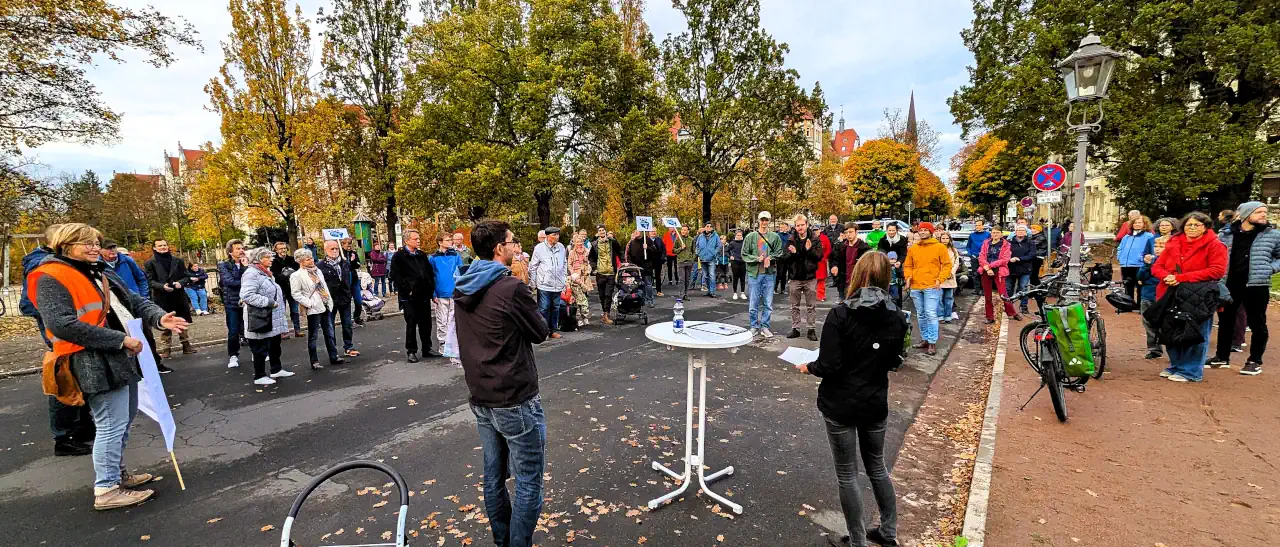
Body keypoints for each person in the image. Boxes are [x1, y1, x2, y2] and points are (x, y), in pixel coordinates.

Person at [28, 223, 189, 509]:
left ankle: (116, 475)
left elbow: (133, 300)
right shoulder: (50, 276)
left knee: (122, 422)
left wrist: (160, 318)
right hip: (92, 360)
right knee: (110, 425)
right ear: (65, 246)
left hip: (118, 357)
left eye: (95, 242)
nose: (94, 248)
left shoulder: (97, 269)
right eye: (85, 243)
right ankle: (106, 490)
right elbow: (62, 325)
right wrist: (121, 340)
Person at [453, 220, 550, 547]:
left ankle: (502, 539)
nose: (516, 247)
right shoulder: (510, 287)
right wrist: (524, 288)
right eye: (512, 242)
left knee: (493, 475)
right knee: (528, 479)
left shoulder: (463, 283)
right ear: (499, 249)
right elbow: (540, 331)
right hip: (514, 396)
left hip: (481, 394)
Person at [797, 252, 904, 547]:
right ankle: (888, 530)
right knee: (877, 466)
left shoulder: (841, 314)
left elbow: (829, 365)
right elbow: (895, 361)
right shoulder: (896, 315)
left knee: (847, 474)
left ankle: (858, 540)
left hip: (840, 403)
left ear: (857, 275)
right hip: (874, 400)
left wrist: (809, 366)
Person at [21, 225, 97, 458]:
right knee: (63, 379)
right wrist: (55, 320)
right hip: (63, 334)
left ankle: (82, 427)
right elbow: (29, 304)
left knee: (79, 378)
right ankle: (64, 437)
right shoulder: (45, 267)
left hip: (79, 331)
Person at [1150, 212, 1226, 382]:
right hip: (1169, 292)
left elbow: (1217, 270)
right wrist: (1166, 276)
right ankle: (1176, 365)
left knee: (1195, 333)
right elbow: (1157, 266)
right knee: (1170, 330)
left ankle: (1191, 371)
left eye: (1197, 225)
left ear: (1205, 227)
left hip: (1198, 295)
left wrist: (1181, 278)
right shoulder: (1173, 242)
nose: (1192, 228)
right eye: (1188, 225)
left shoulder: (1215, 245)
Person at [1205, 202, 1279, 376]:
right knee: (1225, 322)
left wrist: (1270, 268)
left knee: (1257, 323)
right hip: (1228, 284)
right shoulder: (1226, 234)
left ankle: (1254, 361)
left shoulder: (1273, 235)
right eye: (1259, 212)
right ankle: (1221, 357)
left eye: (1264, 212)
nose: (1263, 214)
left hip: (1256, 285)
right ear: (1246, 214)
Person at [240, 247, 294, 385]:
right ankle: (259, 375)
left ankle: (276, 369)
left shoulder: (266, 273)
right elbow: (247, 295)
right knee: (260, 347)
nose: (271, 259)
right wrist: (269, 303)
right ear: (258, 259)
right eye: (267, 257)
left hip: (272, 316)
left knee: (275, 344)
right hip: (259, 316)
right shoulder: (251, 274)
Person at [289, 249, 344, 370]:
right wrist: (310, 303)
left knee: (329, 332)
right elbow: (296, 293)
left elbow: (324, 286)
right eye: (308, 259)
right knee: (313, 335)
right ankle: (314, 361)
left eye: (311, 258)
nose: (311, 260)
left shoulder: (317, 271)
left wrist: (329, 300)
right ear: (301, 262)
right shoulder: (296, 275)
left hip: (325, 304)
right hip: (314, 308)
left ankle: (333, 356)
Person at [143, 239, 194, 363]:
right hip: (162, 297)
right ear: (154, 248)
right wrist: (162, 286)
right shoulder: (150, 263)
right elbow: (150, 281)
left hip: (178, 296)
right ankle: (166, 349)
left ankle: (186, 345)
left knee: (181, 321)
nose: (163, 247)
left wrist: (180, 283)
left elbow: (186, 276)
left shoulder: (178, 261)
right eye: (159, 246)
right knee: (164, 322)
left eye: (164, 245)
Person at [904, 222, 951, 355]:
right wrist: (908, 277)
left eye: (925, 230)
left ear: (931, 232)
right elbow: (908, 265)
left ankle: (932, 342)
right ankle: (925, 339)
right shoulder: (913, 248)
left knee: (931, 314)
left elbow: (947, 265)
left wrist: (940, 279)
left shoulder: (940, 247)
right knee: (921, 314)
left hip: (932, 286)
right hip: (916, 286)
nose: (923, 232)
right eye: (921, 230)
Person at [390, 230, 436, 362]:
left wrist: (430, 288)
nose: (418, 240)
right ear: (407, 241)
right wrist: (407, 289)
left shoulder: (421, 255)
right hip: (409, 297)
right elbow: (396, 276)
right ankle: (411, 351)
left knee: (426, 323)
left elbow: (428, 272)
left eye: (418, 238)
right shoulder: (399, 256)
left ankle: (427, 348)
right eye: (415, 239)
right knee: (411, 323)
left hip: (424, 294)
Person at [742, 211, 784, 338]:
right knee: (753, 303)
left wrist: (770, 257)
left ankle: (765, 327)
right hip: (754, 274)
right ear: (758, 221)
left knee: (768, 303)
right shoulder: (751, 236)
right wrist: (756, 258)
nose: (764, 222)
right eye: (762, 220)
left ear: (769, 221)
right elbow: (744, 253)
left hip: (769, 274)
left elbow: (779, 251)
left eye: (767, 220)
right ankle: (754, 326)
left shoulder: (775, 237)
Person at [783, 214, 824, 341]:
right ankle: (795, 328)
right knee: (794, 305)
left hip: (810, 277)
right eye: (798, 225)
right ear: (795, 227)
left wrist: (809, 249)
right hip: (795, 277)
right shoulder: (791, 240)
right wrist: (793, 253)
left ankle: (811, 330)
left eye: (802, 225)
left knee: (811, 306)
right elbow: (784, 257)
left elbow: (819, 256)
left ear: (807, 225)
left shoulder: (814, 239)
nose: (800, 227)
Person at [319, 240, 362, 359]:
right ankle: (333, 352)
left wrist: (349, 293)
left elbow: (350, 279)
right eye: (332, 249)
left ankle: (349, 347)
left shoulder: (344, 263)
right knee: (330, 327)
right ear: (326, 250)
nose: (335, 251)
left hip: (345, 298)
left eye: (336, 248)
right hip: (330, 301)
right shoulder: (320, 266)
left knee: (347, 324)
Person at [431, 233, 464, 366]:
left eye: (451, 239)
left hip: (454, 293)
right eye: (448, 240)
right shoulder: (433, 258)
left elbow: (461, 272)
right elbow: (431, 277)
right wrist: (433, 294)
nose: (451, 242)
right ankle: (443, 344)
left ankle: (455, 344)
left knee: (455, 320)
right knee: (442, 320)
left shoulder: (455, 255)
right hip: (440, 293)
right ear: (440, 242)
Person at [529, 226, 568, 339]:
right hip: (544, 284)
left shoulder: (561, 247)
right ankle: (543, 331)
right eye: (554, 235)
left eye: (557, 234)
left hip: (558, 284)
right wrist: (534, 282)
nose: (557, 237)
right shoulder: (539, 248)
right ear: (547, 236)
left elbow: (564, 263)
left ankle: (553, 330)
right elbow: (533, 266)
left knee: (556, 307)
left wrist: (564, 278)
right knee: (544, 308)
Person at [978, 231, 1020, 323]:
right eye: (993, 233)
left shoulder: (1006, 245)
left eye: (997, 233)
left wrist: (990, 266)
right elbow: (981, 256)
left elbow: (1005, 260)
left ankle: (1012, 313)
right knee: (987, 296)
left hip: (999, 271)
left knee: (1003, 294)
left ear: (1001, 234)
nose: (995, 235)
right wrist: (986, 267)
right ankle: (989, 317)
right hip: (986, 270)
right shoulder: (986, 243)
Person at [218, 240, 247, 369]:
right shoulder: (224, 265)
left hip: (246, 301)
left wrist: (245, 267)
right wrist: (244, 276)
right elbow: (229, 281)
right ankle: (233, 355)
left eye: (242, 248)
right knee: (234, 330)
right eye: (237, 249)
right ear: (230, 252)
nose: (241, 251)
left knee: (249, 328)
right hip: (232, 302)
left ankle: (256, 351)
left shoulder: (247, 263)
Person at [1136, 236, 1165, 360]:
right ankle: (1154, 349)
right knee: (1148, 322)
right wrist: (1146, 266)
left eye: (1161, 246)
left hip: (1163, 295)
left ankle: (1171, 347)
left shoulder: (1170, 262)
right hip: (1147, 294)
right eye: (1156, 246)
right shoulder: (1150, 260)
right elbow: (1140, 276)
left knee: (1165, 323)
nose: (1158, 249)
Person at [587, 226, 623, 325]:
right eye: (600, 231)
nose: (602, 232)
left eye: (603, 230)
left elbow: (620, 252)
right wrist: (594, 268)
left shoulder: (612, 242)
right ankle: (604, 312)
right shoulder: (594, 244)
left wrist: (623, 263)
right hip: (600, 273)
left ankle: (606, 314)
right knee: (602, 295)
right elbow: (591, 258)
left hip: (611, 272)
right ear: (597, 233)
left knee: (608, 294)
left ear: (606, 232)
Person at [1117, 215, 1155, 303]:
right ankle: (1128, 304)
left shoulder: (1148, 236)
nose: (1137, 224)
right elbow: (1120, 247)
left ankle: (1139, 305)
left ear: (1144, 224)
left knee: (1139, 285)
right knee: (1127, 285)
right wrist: (1120, 257)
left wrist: (1142, 259)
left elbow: (1150, 250)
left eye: (1139, 223)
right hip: (1126, 265)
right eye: (1135, 223)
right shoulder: (1127, 236)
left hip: (1139, 264)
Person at [270, 241, 304, 338]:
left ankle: (297, 330)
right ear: (276, 250)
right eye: (280, 248)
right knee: (281, 310)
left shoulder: (291, 260)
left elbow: (298, 271)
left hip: (292, 288)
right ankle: (283, 332)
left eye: (284, 248)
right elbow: (274, 275)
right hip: (280, 289)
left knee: (295, 310)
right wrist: (288, 277)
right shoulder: (273, 261)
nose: (283, 250)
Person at [831, 222, 871, 298]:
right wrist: (834, 266)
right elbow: (834, 258)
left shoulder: (865, 248)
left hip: (859, 284)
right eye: (846, 232)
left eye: (851, 232)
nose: (848, 234)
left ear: (856, 232)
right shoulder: (841, 247)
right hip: (844, 283)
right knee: (843, 306)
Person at [1006, 225, 1037, 315]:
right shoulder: (1009, 242)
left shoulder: (1030, 242)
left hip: (1025, 268)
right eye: (1018, 230)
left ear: (1026, 232)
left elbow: (1032, 255)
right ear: (1015, 232)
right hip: (1011, 268)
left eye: (1022, 230)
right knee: (1008, 288)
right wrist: (1009, 259)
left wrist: (1019, 258)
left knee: (1023, 288)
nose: (1020, 232)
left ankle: (1024, 306)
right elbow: (1005, 253)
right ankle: (1008, 307)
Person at [937, 231, 963, 323]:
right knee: (939, 298)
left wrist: (951, 273)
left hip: (950, 277)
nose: (945, 240)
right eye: (943, 238)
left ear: (950, 239)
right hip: (939, 277)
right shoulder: (937, 249)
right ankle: (940, 315)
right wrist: (943, 273)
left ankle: (948, 315)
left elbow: (956, 263)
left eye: (946, 238)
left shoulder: (954, 250)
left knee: (949, 298)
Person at [567, 235, 592, 328]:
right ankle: (578, 318)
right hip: (575, 278)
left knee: (584, 298)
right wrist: (573, 274)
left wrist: (588, 271)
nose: (579, 244)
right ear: (574, 243)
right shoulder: (572, 253)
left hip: (585, 276)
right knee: (576, 298)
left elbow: (589, 263)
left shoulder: (587, 251)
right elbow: (569, 264)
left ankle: (585, 316)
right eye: (577, 242)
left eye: (580, 242)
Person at [341, 239, 365, 326]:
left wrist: (353, 261)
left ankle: (357, 317)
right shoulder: (340, 253)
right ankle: (348, 320)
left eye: (350, 244)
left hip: (354, 279)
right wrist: (349, 262)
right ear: (343, 244)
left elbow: (358, 265)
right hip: (345, 280)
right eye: (347, 244)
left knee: (358, 301)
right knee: (347, 302)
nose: (349, 246)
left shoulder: (353, 253)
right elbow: (343, 266)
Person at [964, 219, 991, 295]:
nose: (977, 227)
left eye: (979, 225)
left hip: (984, 258)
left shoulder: (988, 235)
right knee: (975, 274)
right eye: (976, 225)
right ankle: (977, 290)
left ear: (983, 226)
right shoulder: (972, 235)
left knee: (984, 274)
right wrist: (970, 254)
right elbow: (968, 246)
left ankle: (983, 290)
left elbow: (990, 245)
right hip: (974, 257)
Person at [695, 222, 722, 298]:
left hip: (711, 259)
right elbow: (697, 246)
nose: (709, 227)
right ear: (705, 227)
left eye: (710, 226)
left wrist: (714, 253)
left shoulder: (715, 236)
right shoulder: (700, 236)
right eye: (707, 226)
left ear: (712, 228)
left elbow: (719, 245)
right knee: (705, 276)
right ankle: (709, 291)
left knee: (712, 275)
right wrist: (698, 254)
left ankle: (712, 291)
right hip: (703, 258)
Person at [672, 226, 696, 298]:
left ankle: (686, 294)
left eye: (685, 230)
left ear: (688, 231)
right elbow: (673, 250)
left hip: (689, 262)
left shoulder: (691, 239)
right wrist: (681, 248)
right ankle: (681, 294)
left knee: (687, 279)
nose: (683, 231)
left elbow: (694, 251)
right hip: (680, 261)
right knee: (681, 279)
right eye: (682, 230)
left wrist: (692, 259)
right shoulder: (678, 239)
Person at [647, 229, 667, 298]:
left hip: (658, 260)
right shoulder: (645, 240)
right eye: (652, 231)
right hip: (649, 261)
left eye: (654, 231)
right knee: (648, 276)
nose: (653, 232)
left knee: (658, 276)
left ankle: (659, 291)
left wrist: (663, 257)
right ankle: (648, 292)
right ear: (649, 232)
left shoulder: (659, 240)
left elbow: (664, 249)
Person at [727, 230, 746, 300]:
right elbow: (727, 251)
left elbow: (747, 250)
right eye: (738, 235)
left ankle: (742, 293)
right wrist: (730, 256)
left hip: (743, 262)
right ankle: (735, 293)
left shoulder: (744, 243)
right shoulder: (732, 243)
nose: (739, 236)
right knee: (735, 278)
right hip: (735, 262)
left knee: (743, 278)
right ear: (735, 236)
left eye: (740, 235)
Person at [774, 221, 792, 294]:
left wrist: (789, 254)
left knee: (784, 273)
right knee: (778, 273)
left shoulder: (790, 236)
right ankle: (775, 289)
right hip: (779, 257)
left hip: (787, 257)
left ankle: (783, 289)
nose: (782, 228)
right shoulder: (777, 235)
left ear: (787, 228)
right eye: (781, 227)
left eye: (783, 227)